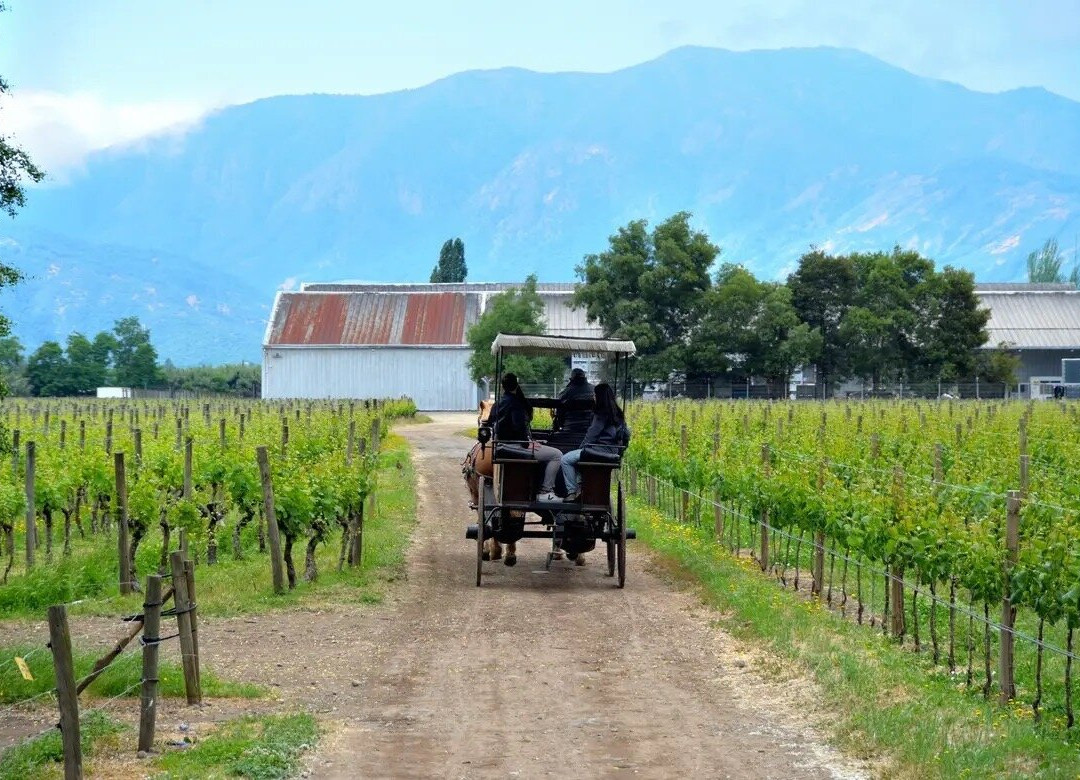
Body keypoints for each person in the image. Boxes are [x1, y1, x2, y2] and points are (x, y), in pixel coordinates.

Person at [492, 373, 563, 501]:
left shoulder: (496, 404)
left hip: (501, 445)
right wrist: (527, 442)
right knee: (556, 454)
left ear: (503, 387)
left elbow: (493, 424)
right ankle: (545, 491)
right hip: (517, 445)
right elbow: (518, 426)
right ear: (516, 385)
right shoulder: (516, 404)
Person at [560, 382, 630, 502]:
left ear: (599, 397)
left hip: (598, 451)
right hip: (612, 452)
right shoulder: (618, 414)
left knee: (566, 459)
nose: (593, 397)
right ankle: (582, 487)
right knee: (577, 458)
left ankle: (571, 491)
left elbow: (591, 435)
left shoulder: (600, 414)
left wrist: (581, 448)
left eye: (595, 395)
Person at [545, 368, 595, 454]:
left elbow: (559, 415)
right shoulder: (594, 391)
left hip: (569, 430)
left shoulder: (566, 393)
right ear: (585, 377)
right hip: (590, 430)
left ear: (571, 379)